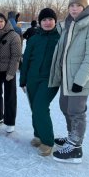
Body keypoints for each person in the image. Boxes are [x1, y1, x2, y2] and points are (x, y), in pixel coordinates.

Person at [49, 0, 89, 164]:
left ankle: (76, 148)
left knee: (77, 112)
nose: (74, 9)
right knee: (65, 107)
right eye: (72, 5)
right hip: (66, 77)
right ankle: (71, 137)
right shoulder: (69, 25)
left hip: (79, 79)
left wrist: (80, 81)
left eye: (78, 5)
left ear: (84, 7)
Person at [20, 8, 59, 156]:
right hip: (32, 79)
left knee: (40, 107)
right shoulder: (34, 39)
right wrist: (23, 80)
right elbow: (26, 61)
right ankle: (38, 135)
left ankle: (48, 141)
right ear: (40, 22)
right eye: (44, 20)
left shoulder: (60, 38)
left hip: (50, 80)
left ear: (55, 21)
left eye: (50, 19)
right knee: (34, 108)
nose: (47, 22)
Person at [0, 13, 22, 133]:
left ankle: (10, 121)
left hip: (8, 70)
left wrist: (11, 72)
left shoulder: (13, 35)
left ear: (6, 22)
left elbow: (16, 55)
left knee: (10, 96)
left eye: (1, 21)